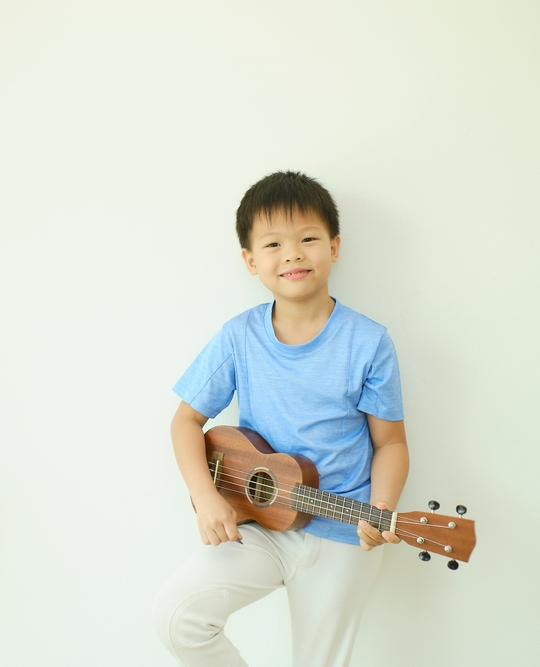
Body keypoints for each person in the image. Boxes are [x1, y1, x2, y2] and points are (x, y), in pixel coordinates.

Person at [152, 171, 409, 667]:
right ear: (251, 260)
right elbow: (185, 422)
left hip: (341, 532)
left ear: (334, 247)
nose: (292, 254)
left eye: (308, 239)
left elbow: (391, 444)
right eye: (273, 244)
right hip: (261, 525)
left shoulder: (369, 342)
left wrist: (382, 507)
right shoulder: (238, 338)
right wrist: (206, 499)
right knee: (176, 617)